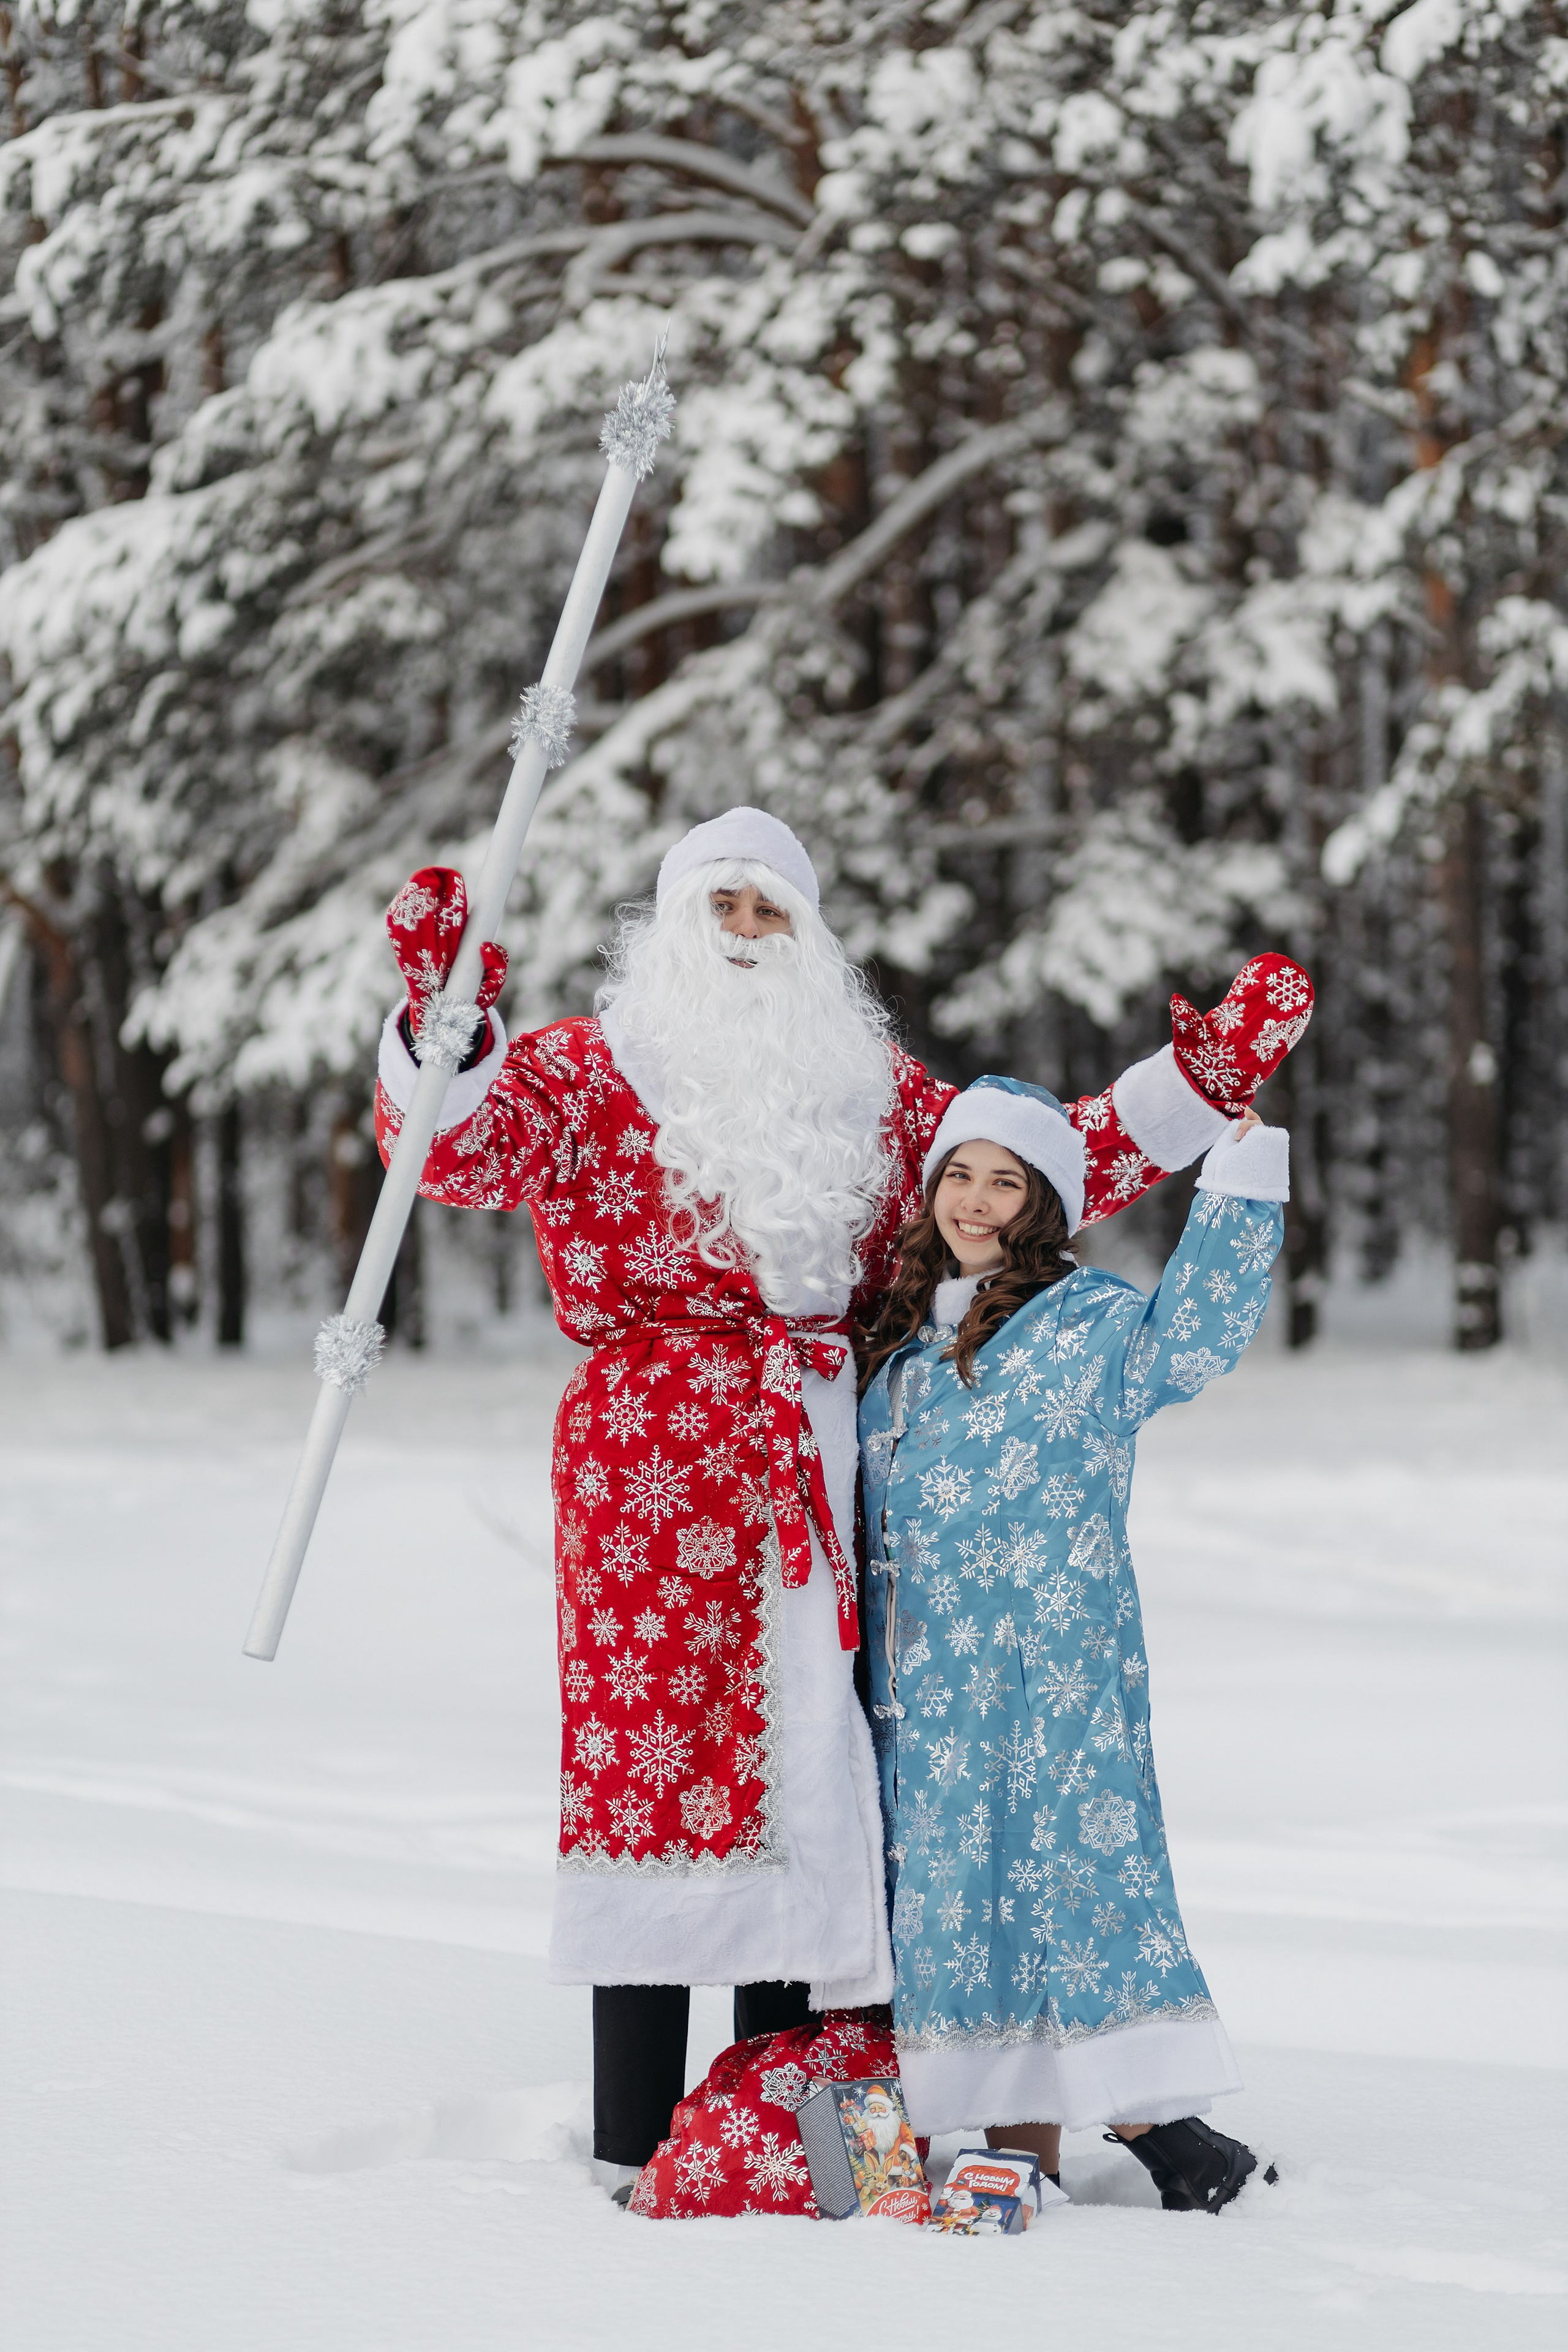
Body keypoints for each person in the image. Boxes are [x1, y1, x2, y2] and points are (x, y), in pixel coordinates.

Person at [374, 805, 1309, 2191]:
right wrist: (439, 1031)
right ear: (670, 924)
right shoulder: (581, 1071)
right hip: (653, 1459)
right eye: (723, 908)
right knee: (663, 1768)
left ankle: (791, 2125)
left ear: (810, 939)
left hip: (833, 1448)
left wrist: (1198, 1087)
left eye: (771, 913)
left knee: (826, 1780)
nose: (747, 936)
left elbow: (1048, 1161)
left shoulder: (876, 1095)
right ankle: (637, 2136)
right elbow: (444, 1157)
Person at [858, 1074, 1294, 2213]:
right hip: (925, 1689)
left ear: (1042, 1202)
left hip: (1057, 1666)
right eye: (961, 1173)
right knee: (962, 1899)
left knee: (1077, 1883)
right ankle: (1019, 2154)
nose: (976, 1201)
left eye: (1007, 1182)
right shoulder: (894, 1344)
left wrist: (1239, 1180)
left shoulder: (1086, 1322)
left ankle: (1156, 2122)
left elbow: (1189, 1344)